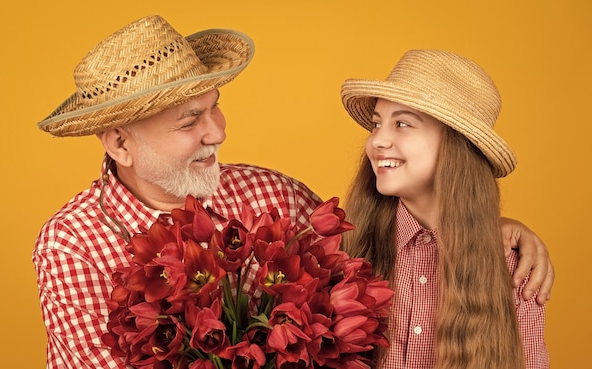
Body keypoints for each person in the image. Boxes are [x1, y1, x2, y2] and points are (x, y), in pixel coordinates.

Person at [33, 15, 552, 369]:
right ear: (120, 143)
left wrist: (497, 229)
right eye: (191, 120)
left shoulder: (271, 195)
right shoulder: (73, 244)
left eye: (215, 107)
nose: (217, 132)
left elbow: (371, 247)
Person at [340, 49, 549, 368]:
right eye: (376, 124)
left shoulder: (513, 269)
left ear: (455, 145)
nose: (378, 141)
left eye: (402, 124)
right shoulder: (344, 248)